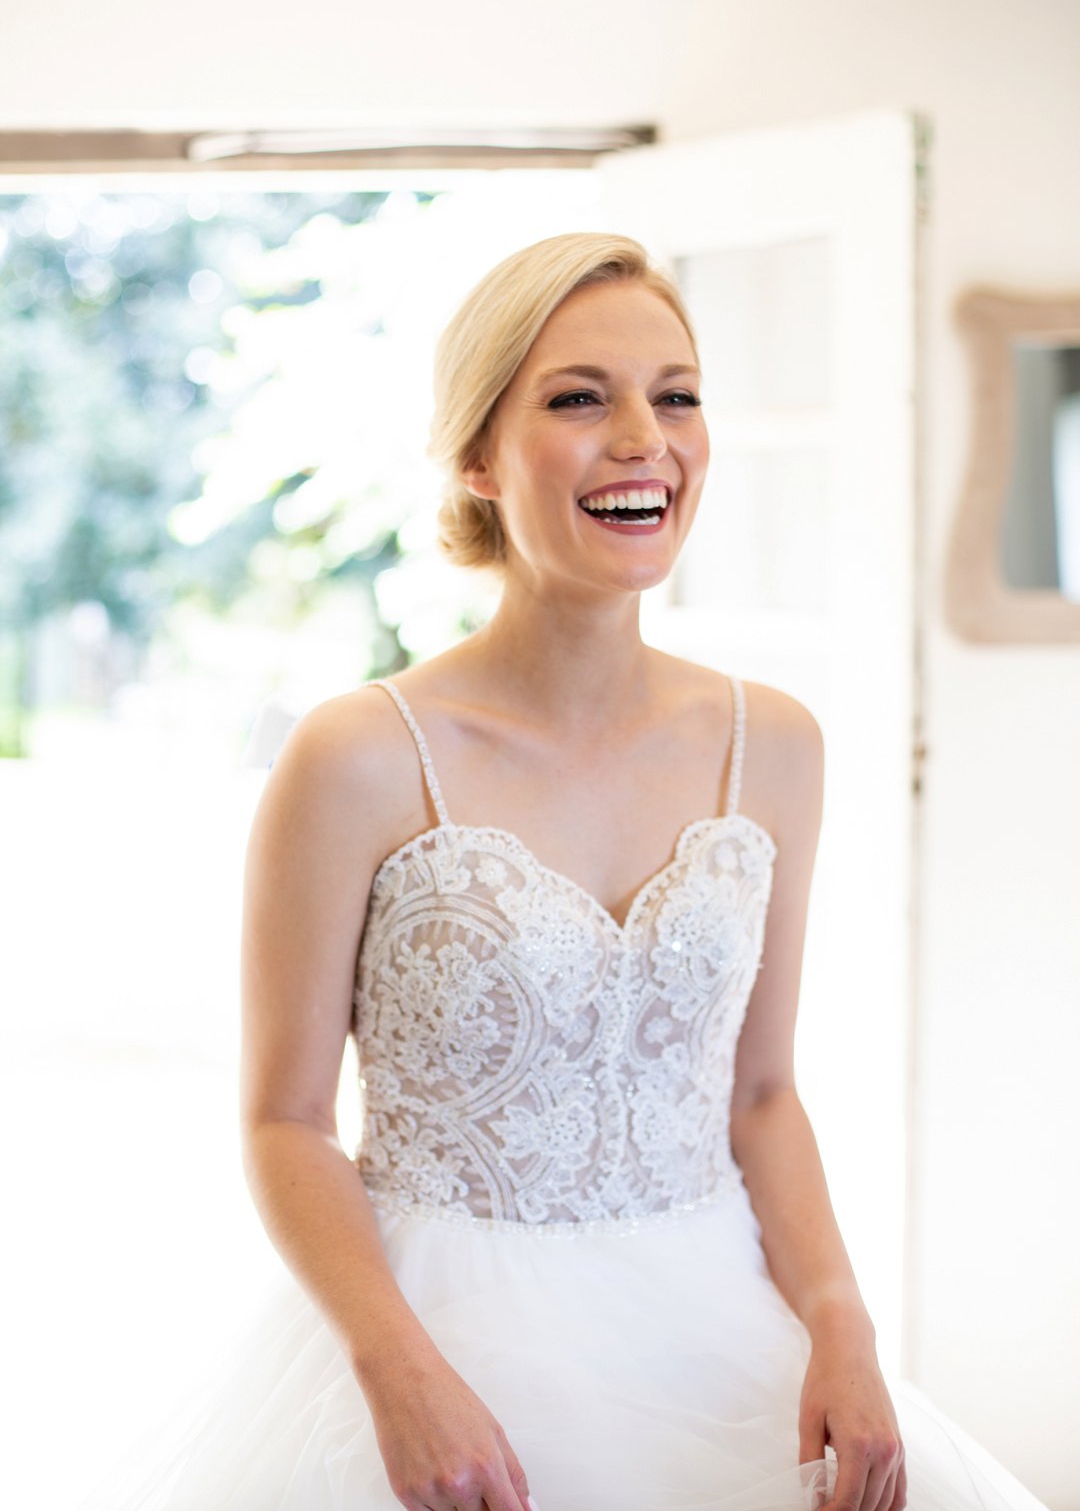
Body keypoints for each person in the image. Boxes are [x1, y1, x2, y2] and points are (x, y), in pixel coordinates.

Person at [79, 232, 1049, 1511]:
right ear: (479, 456)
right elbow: (284, 1122)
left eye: (679, 393)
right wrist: (398, 1371)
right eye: (580, 396)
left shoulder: (776, 748)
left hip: (716, 1330)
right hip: (430, 1329)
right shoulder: (362, 756)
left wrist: (845, 1327)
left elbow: (760, 1095)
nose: (644, 435)